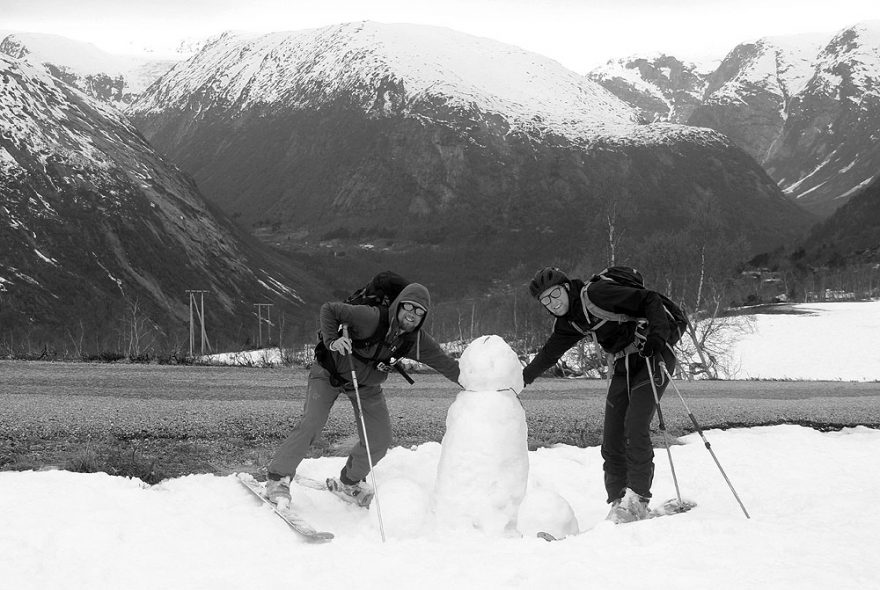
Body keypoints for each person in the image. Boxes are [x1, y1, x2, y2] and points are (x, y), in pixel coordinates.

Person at [265, 282, 460, 508]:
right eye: (409, 307)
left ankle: (350, 482)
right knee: (311, 424)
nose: (412, 314)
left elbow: (446, 364)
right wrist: (332, 340)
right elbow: (329, 309)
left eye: (419, 312)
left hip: (366, 385)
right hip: (330, 373)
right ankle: (277, 479)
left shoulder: (415, 340)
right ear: (398, 305)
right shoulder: (371, 318)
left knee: (379, 439)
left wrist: (480, 382)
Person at [521, 266, 678, 523]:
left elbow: (649, 299)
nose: (553, 303)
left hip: (652, 355)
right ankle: (619, 502)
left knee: (635, 426)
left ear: (567, 288)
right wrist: (520, 380)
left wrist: (658, 337)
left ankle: (637, 500)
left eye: (555, 294)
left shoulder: (597, 294)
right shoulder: (569, 322)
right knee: (612, 436)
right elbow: (549, 354)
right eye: (545, 300)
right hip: (623, 364)